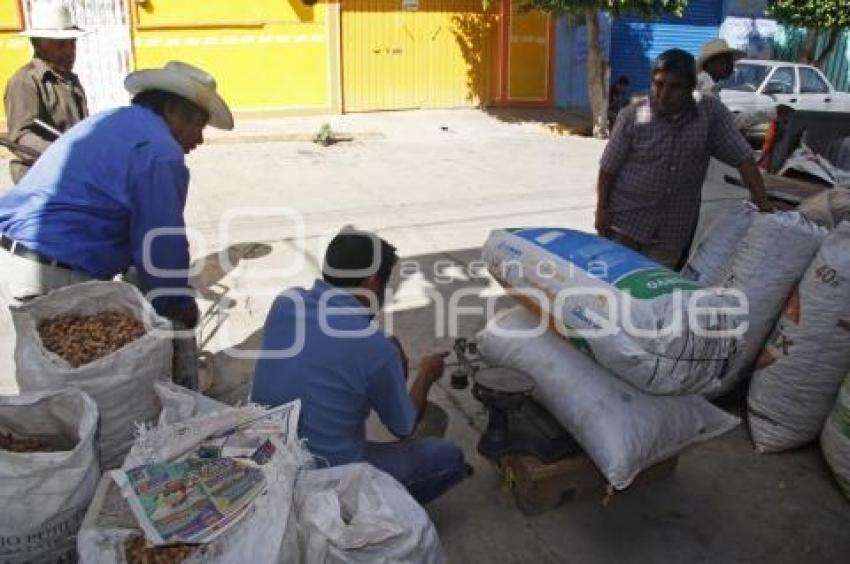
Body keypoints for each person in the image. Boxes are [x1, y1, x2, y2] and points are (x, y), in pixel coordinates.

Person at [0, 60, 234, 329]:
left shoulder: (111, 119)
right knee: (85, 366)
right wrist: (177, 305)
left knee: (44, 367)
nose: (200, 139)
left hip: (14, 257)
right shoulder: (160, 152)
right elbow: (160, 243)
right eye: (199, 126)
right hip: (51, 273)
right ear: (172, 111)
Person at [251, 229, 467, 504]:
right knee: (448, 457)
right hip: (325, 482)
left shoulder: (285, 301)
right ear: (372, 282)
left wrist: (388, 362)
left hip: (266, 456)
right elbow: (403, 426)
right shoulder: (373, 346)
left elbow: (329, 355)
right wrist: (427, 372)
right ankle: (360, 512)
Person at [595, 49, 773, 270]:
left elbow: (743, 157)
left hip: (671, 233)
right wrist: (601, 209)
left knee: (653, 297)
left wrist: (762, 201)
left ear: (690, 88)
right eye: (658, 84)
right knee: (612, 289)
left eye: (674, 87)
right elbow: (608, 168)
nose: (663, 94)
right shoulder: (632, 115)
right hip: (624, 224)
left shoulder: (710, 113)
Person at [4, 3, 90, 182]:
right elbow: (21, 138)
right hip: (40, 179)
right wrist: (62, 152)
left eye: (72, 43)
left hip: (72, 173)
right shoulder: (25, 81)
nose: (70, 51)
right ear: (39, 45)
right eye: (61, 45)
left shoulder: (70, 80)